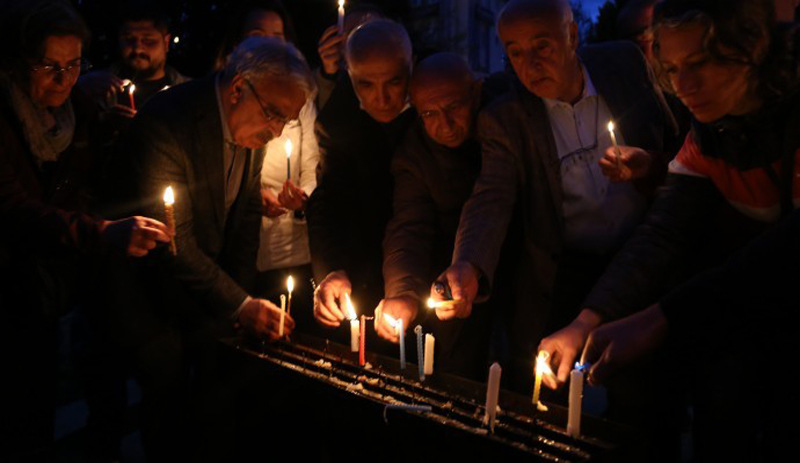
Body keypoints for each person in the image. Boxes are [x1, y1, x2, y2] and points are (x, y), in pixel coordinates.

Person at [558, 0, 799, 459]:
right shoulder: (707, 131)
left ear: (753, 44)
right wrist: (587, 319)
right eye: (670, 68)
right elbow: (665, 229)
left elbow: (785, 252)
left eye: (701, 62)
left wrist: (659, 319)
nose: (683, 86)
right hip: (737, 330)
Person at [431, 0, 678, 393]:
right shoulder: (506, 117)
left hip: (642, 259)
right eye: (515, 53)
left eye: (541, 46)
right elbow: (490, 198)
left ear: (573, 36)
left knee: (645, 396)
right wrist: (466, 264)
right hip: (562, 273)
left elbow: (680, 154)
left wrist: (649, 165)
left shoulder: (626, 66)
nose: (529, 65)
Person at [120, 37, 313, 460]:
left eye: (288, 121)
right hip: (152, 291)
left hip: (206, 290)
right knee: (166, 403)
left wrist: (240, 299)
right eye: (274, 114)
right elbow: (172, 241)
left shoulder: (251, 127)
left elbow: (245, 218)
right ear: (238, 88)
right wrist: (241, 303)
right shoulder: (168, 122)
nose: (277, 131)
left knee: (218, 407)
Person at [0, 0, 170, 459]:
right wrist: (103, 232)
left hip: (43, 290)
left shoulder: (75, 113)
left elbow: (78, 189)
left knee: (37, 410)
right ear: (18, 62)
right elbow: (16, 210)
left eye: (74, 64)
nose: (65, 78)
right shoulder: (6, 119)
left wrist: (110, 138)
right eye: (50, 65)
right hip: (7, 284)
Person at [377, 53, 509, 379]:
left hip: (521, 268)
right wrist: (404, 291)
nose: (444, 124)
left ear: (475, 92)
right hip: (455, 284)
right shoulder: (414, 154)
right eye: (430, 113)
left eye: (453, 108)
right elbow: (409, 226)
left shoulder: (505, 118)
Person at [215, 0, 321, 334]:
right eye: (259, 35)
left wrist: (302, 198)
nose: (271, 45)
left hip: (292, 249)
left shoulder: (301, 98)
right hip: (241, 254)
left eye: (278, 36)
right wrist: (250, 197)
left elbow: (313, 165)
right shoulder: (227, 101)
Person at [308, 19, 417, 344]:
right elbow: (327, 201)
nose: (382, 98)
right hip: (364, 272)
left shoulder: (434, 104)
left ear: (411, 68)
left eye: (394, 82)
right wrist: (330, 270)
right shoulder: (336, 121)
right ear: (350, 76)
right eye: (367, 85)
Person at [78, 0, 188, 116]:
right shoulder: (94, 88)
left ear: (166, 43)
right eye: (129, 39)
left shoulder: (188, 92)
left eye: (148, 40)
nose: (137, 49)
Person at [314, 3, 386, 110]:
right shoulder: (320, 81)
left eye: (371, 32)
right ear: (340, 40)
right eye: (353, 33)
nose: (362, 40)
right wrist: (329, 75)